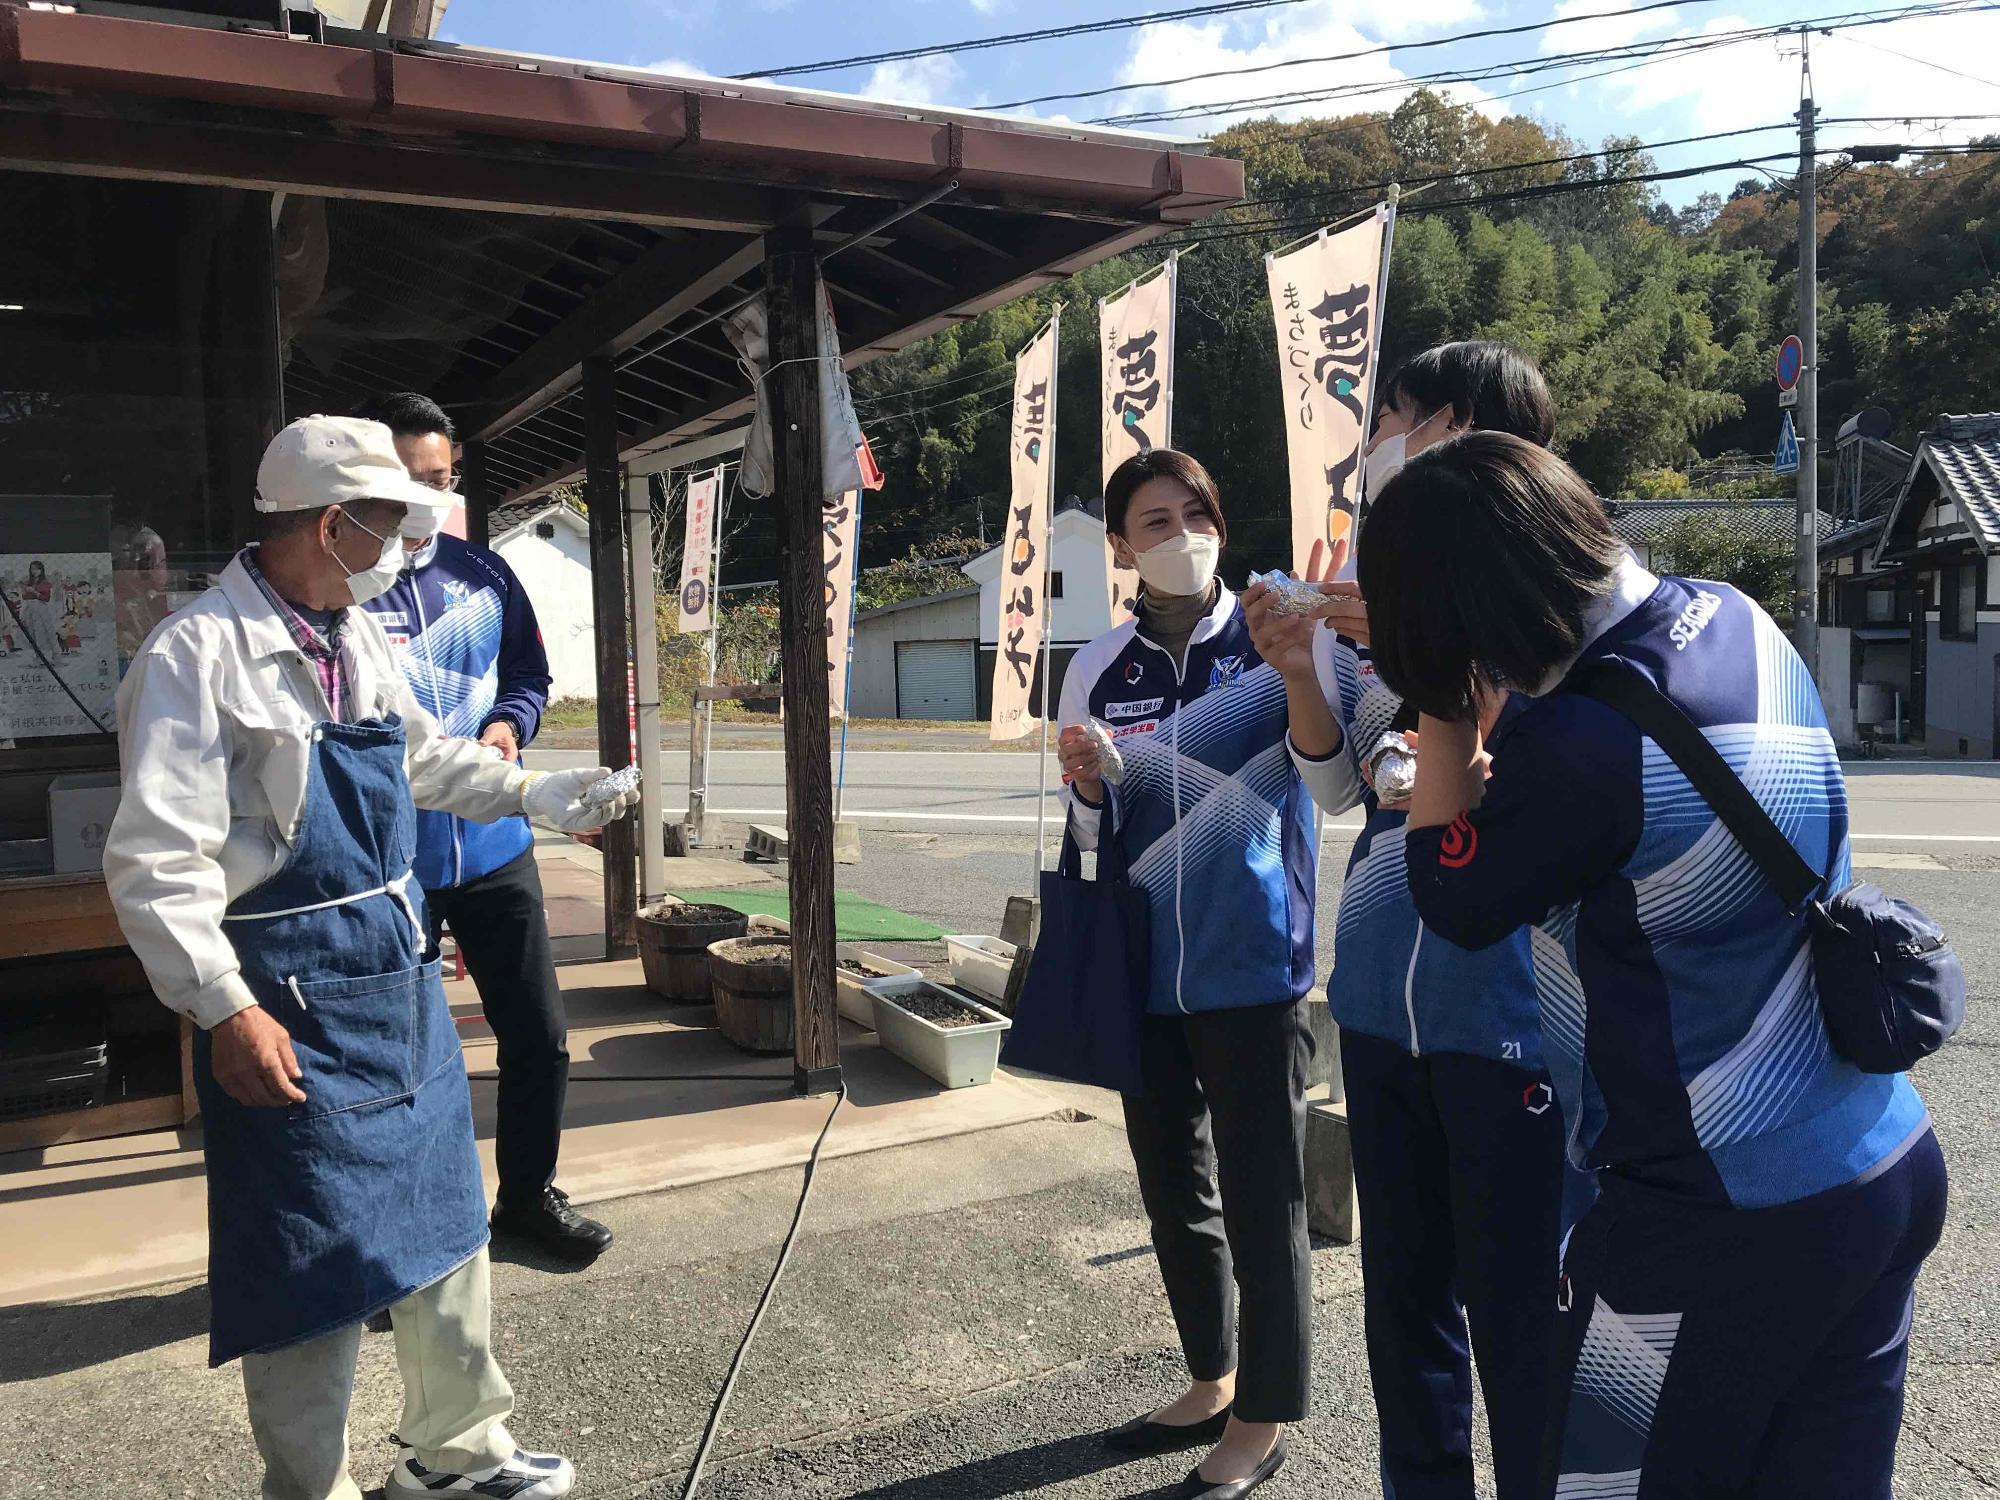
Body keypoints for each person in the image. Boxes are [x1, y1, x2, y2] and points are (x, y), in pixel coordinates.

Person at [1358, 431, 1947, 1497]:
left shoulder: (1583, 746)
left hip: (1716, 1214)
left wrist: (1441, 705)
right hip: (1878, 1157)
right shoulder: (1729, 609)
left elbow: (1445, 895)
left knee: (1594, 1485)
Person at [103, 415, 638, 1500]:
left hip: (393, 975)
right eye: (391, 522)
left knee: (447, 1223)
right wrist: (221, 1007)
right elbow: (156, 862)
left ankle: (460, 1452)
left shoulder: (352, 634)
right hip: (281, 993)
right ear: (331, 521)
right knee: (310, 1264)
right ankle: (308, 1486)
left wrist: (536, 793)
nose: (406, 543)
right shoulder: (195, 655)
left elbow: (423, 763)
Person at [1244, 341, 1590, 1500]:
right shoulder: (1377, 582)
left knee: (1518, 1313)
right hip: (1383, 1001)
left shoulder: (1550, 590)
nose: (1373, 443)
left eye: (1388, 417)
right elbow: (1341, 787)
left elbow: (1525, 780)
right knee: (1402, 1311)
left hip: (1508, 1015)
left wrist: (1427, 683)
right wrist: (1302, 666)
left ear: (1451, 427)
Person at [1056, 448, 1358, 1500]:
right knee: (1172, 1189)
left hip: (1252, 962)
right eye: (1152, 519)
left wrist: (1292, 673)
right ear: (1120, 546)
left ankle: (1262, 1419)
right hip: (1141, 966)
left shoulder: (1277, 632)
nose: (1178, 532)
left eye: (1194, 512)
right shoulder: (1098, 663)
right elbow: (1089, 824)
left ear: (1220, 525)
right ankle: (1209, 1374)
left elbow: (1331, 786)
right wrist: (1089, 784)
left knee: (1263, 1197)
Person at [352, 391, 610, 1263]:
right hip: (392, 860)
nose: (435, 496)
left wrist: (510, 727)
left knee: (538, 1033)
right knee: (402, 1059)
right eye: (414, 479)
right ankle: (406, 1232)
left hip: (497, 845)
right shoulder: (343, 597)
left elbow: (530, 678)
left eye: (446, 478)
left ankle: (528, 1198)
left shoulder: (487, 575)